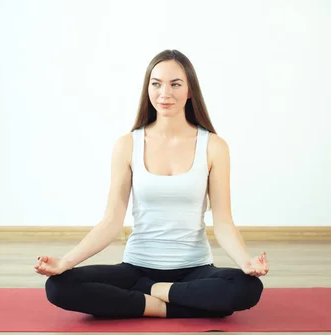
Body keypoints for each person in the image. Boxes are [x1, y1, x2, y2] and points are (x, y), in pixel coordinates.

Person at [34, 49, 269, 319]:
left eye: (175, 84)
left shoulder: (214, 146)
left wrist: (245, 262)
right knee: (59, 286)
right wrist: (66, 262)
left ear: (190, 90)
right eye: (156, 83)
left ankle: (151, 294)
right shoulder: (127, 145)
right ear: (148, 89)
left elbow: (224, 221)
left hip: (194, 270)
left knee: (246, 288)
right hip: (136, 269)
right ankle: (167, 304)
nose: (164, 93)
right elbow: (111, 221)